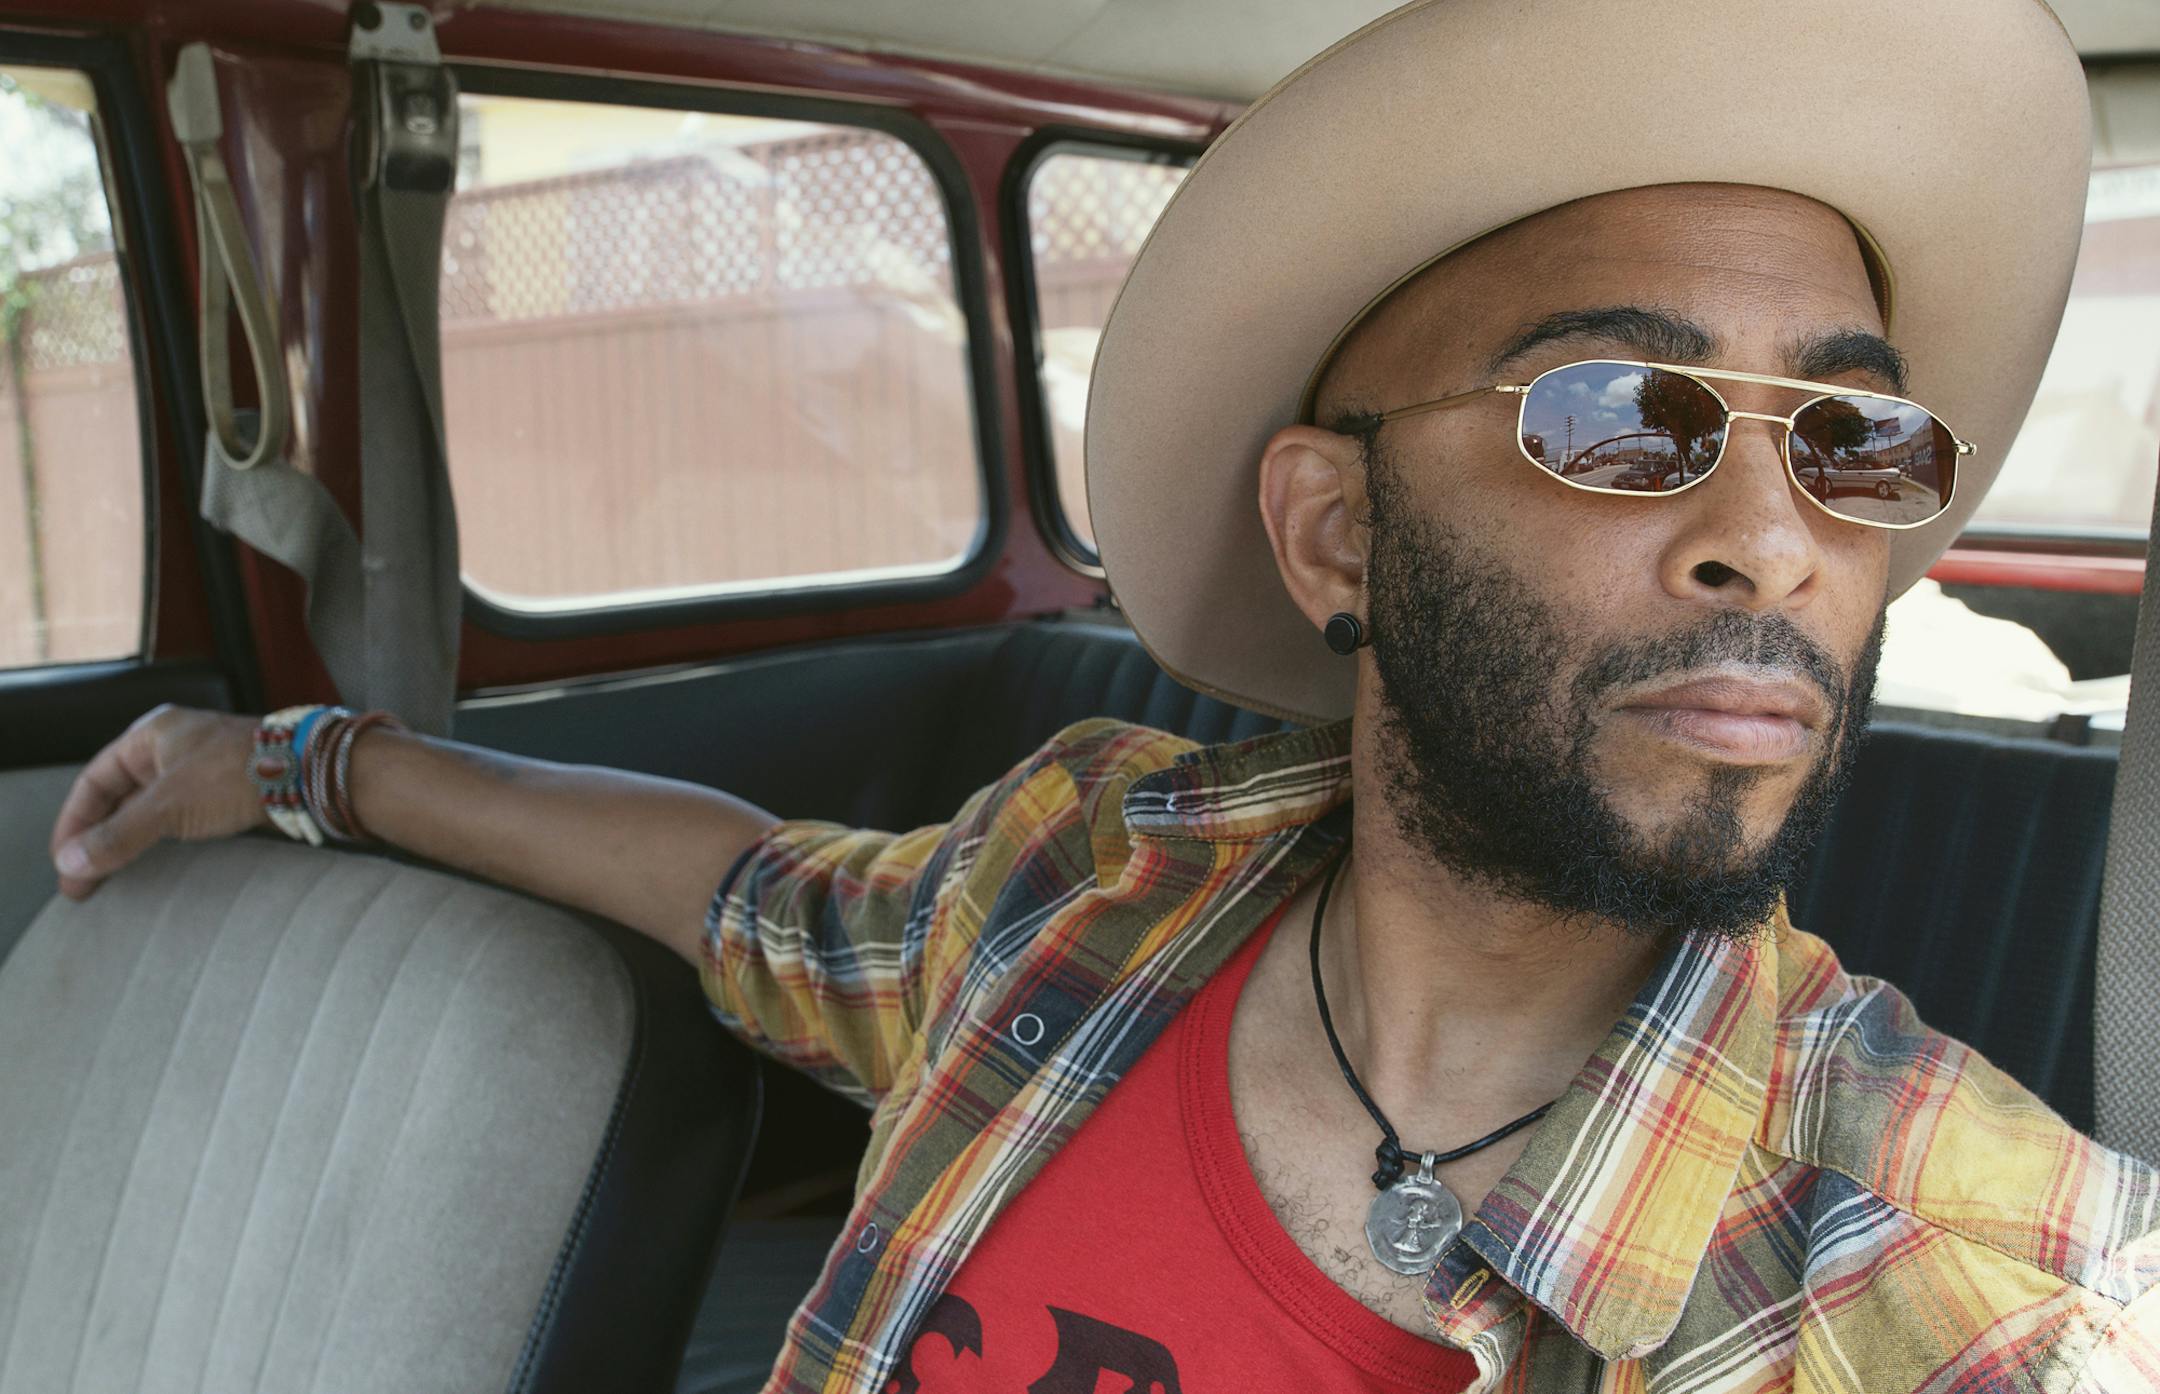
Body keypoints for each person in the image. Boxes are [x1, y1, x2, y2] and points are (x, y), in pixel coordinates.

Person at [45, 0, 2160, 1388]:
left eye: (1856, 446)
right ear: (1337, 536)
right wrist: (315, 759)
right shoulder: (1091, 871)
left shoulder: (1985, 1287)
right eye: (1626, 415)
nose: (1781, 537)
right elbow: (753, 897)